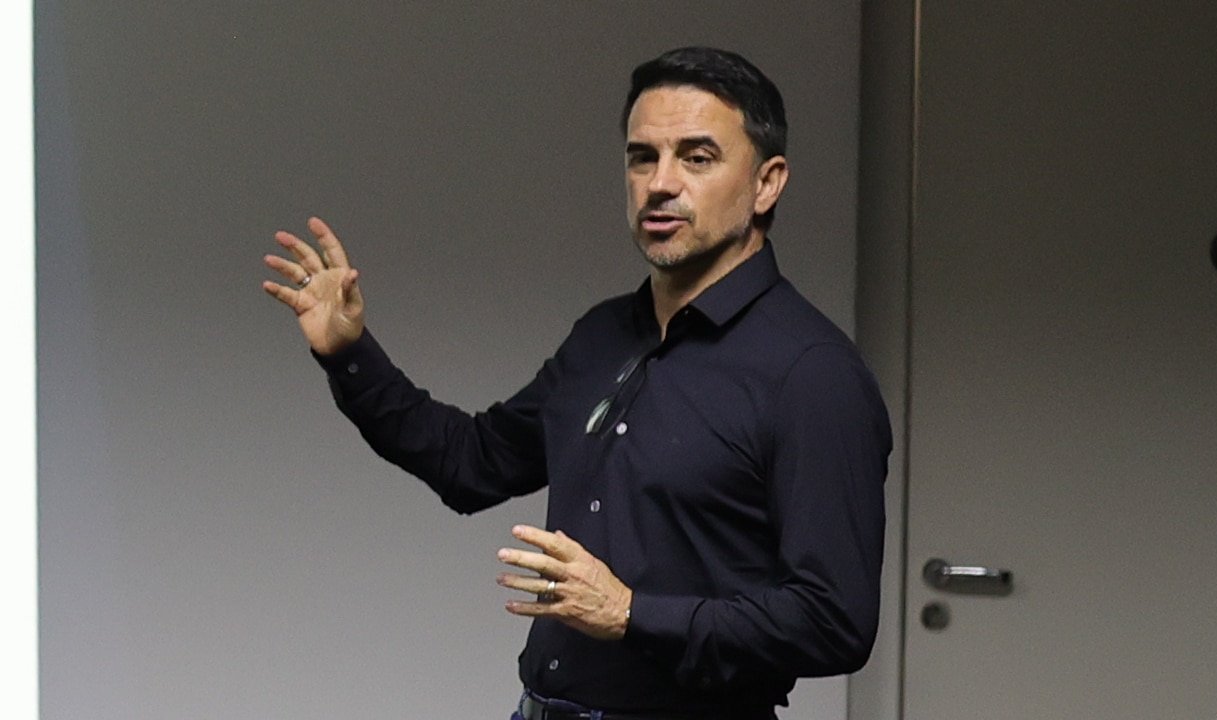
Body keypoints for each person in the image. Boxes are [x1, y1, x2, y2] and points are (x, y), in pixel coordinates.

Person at [262, 46, 890, 720]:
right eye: (642, 156)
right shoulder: (603, 336)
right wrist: (351, 354)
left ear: (767, 183)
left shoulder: (813, 374)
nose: (659, 183)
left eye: (697, 158)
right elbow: (471, 463)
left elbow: (833, 621)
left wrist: (631, 614)